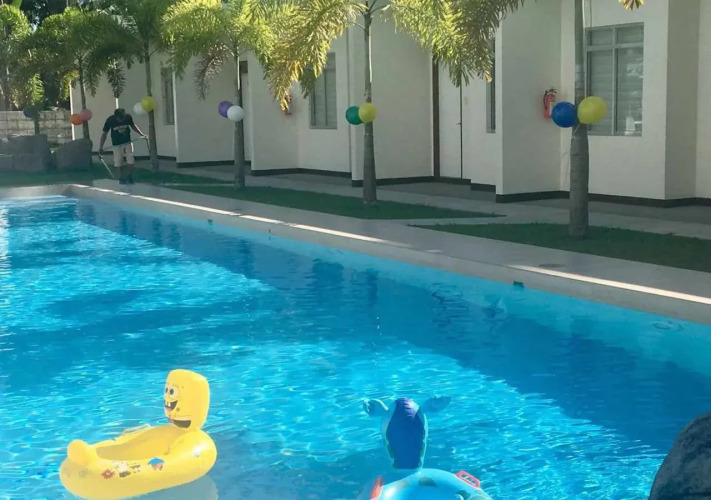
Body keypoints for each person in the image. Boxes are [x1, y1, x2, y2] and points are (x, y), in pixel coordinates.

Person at [99, 108, 146, 185]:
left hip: (127, 142)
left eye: (123, 118)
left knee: (130, 159)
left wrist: (142, 134)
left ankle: (129, 176)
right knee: (118, 160)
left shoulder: (128, 117)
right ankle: (121, 177)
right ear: (116, 117)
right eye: (120, 119)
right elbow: (104, 134)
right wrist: (101, 146)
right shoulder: (110, 120)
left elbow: (133, 126)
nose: (121, 120)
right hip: (116, 144)